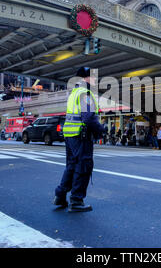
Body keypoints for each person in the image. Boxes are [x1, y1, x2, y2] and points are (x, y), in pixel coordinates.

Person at [53, 67, 105, 213]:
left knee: (71, 165)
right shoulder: (85, 93)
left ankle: (60, 195)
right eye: (93, 77)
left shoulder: (74, 92)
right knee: (83, 166)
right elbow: (88, 117)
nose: (95, 80)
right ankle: (76, 200)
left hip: (70, 135)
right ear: (85, 78)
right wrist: (101, 130)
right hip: (81, 135)